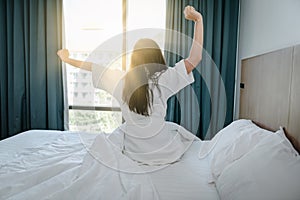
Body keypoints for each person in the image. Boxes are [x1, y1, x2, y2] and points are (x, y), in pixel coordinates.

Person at [57, 5, 203, 165]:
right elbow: (194, 59)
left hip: (135, 151)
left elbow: (92, 66)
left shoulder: (121, 79)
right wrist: (198, 20)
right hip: (162, 150)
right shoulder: (164, 78)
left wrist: (67, 59)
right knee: (175, 133)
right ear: (157, 56)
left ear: (134, 58)